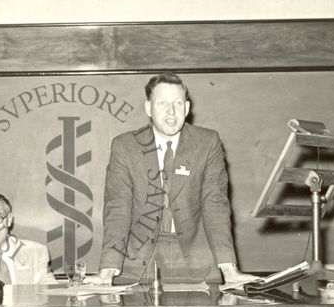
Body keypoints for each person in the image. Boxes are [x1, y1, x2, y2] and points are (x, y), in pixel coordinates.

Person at [98, 72, 256, 286]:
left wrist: (229, 269)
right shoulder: (124, 146)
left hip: (197, 261)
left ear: (187, 108)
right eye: (162, 103)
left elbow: (215, 205)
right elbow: (118, 208)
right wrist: (108, 269)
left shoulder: (208, 142)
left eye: (178, 103)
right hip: (137, 263)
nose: (171, 112)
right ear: (148, 109)